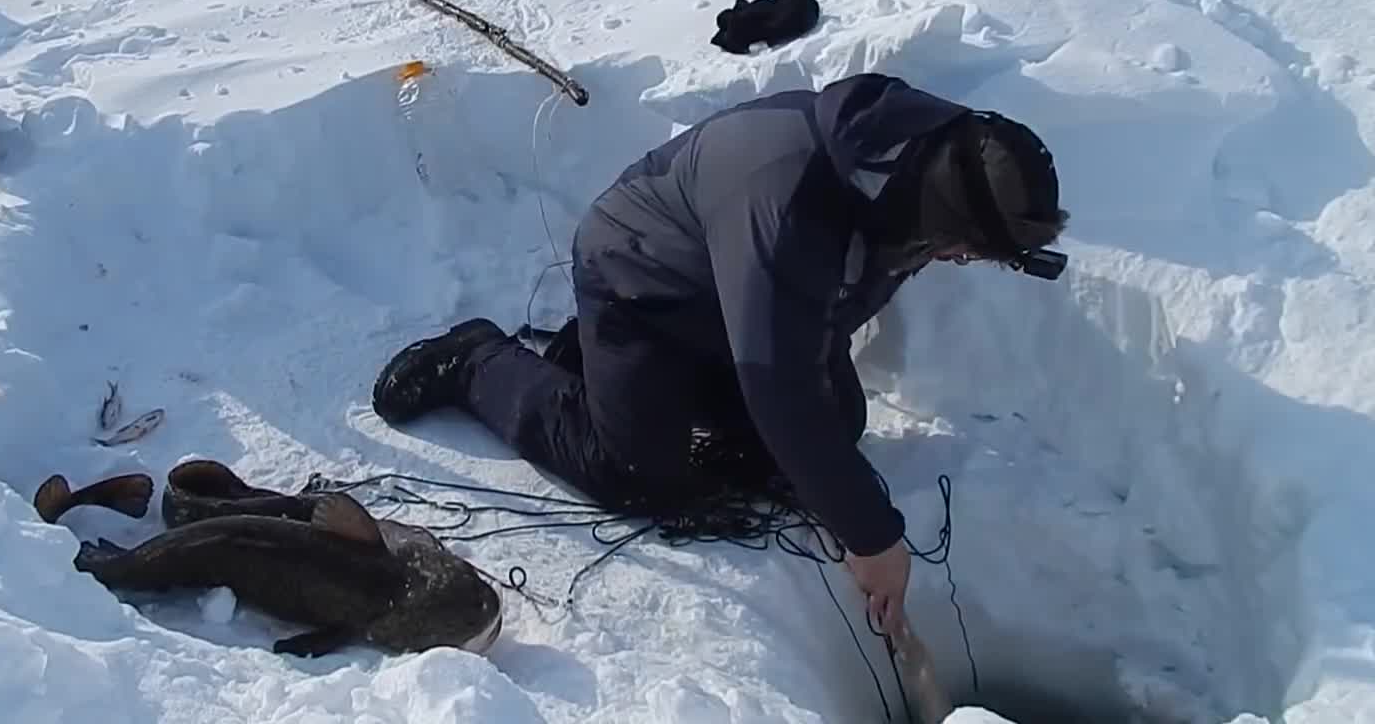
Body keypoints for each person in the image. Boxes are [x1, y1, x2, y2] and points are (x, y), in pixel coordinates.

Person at [369, 71, 1067, 632]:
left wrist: (816, 458)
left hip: (744, 302)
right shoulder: (792, 194)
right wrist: (872, 538)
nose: (959, 261)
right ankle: (477, 361)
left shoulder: (924, 168)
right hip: (641, 285)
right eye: (967, 248)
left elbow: (803, 342)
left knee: (834, 433)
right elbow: (778, 384)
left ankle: (603, 374)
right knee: (642, 475)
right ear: (944, 214)